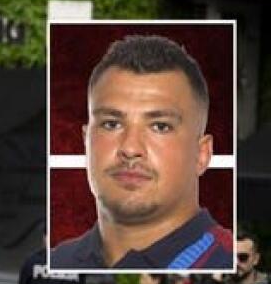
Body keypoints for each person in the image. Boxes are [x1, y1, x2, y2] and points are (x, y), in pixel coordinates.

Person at [50, 35, 233, 271]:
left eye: (160, 126)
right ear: (86, 140)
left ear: (202, 154)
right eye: (111, 124)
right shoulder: (58, 263)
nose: (130, 148)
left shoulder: (230, 264)